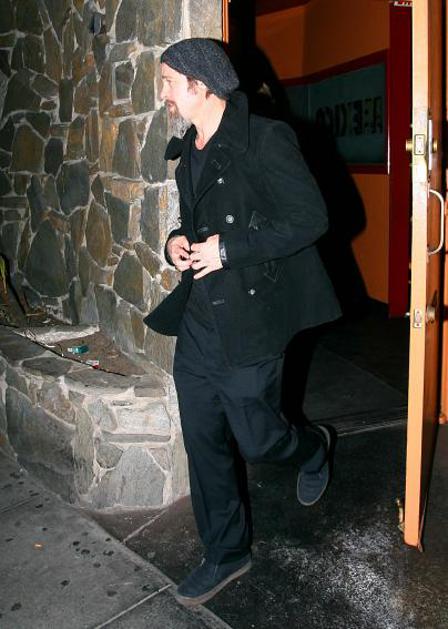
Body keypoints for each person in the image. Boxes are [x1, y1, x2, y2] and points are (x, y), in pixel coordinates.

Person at [145, 38, 341, 608]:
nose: (163, 94)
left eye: (168, 82)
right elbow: (195, 222)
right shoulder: (189, 150)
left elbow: (310, 219)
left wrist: (229, 251)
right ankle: (226, 552)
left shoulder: (266, 139)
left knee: (256, 438)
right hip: (201, 316)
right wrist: (176, 243)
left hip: (253, 315)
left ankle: (310, 448)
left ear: (200, 85)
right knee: (203, 437)